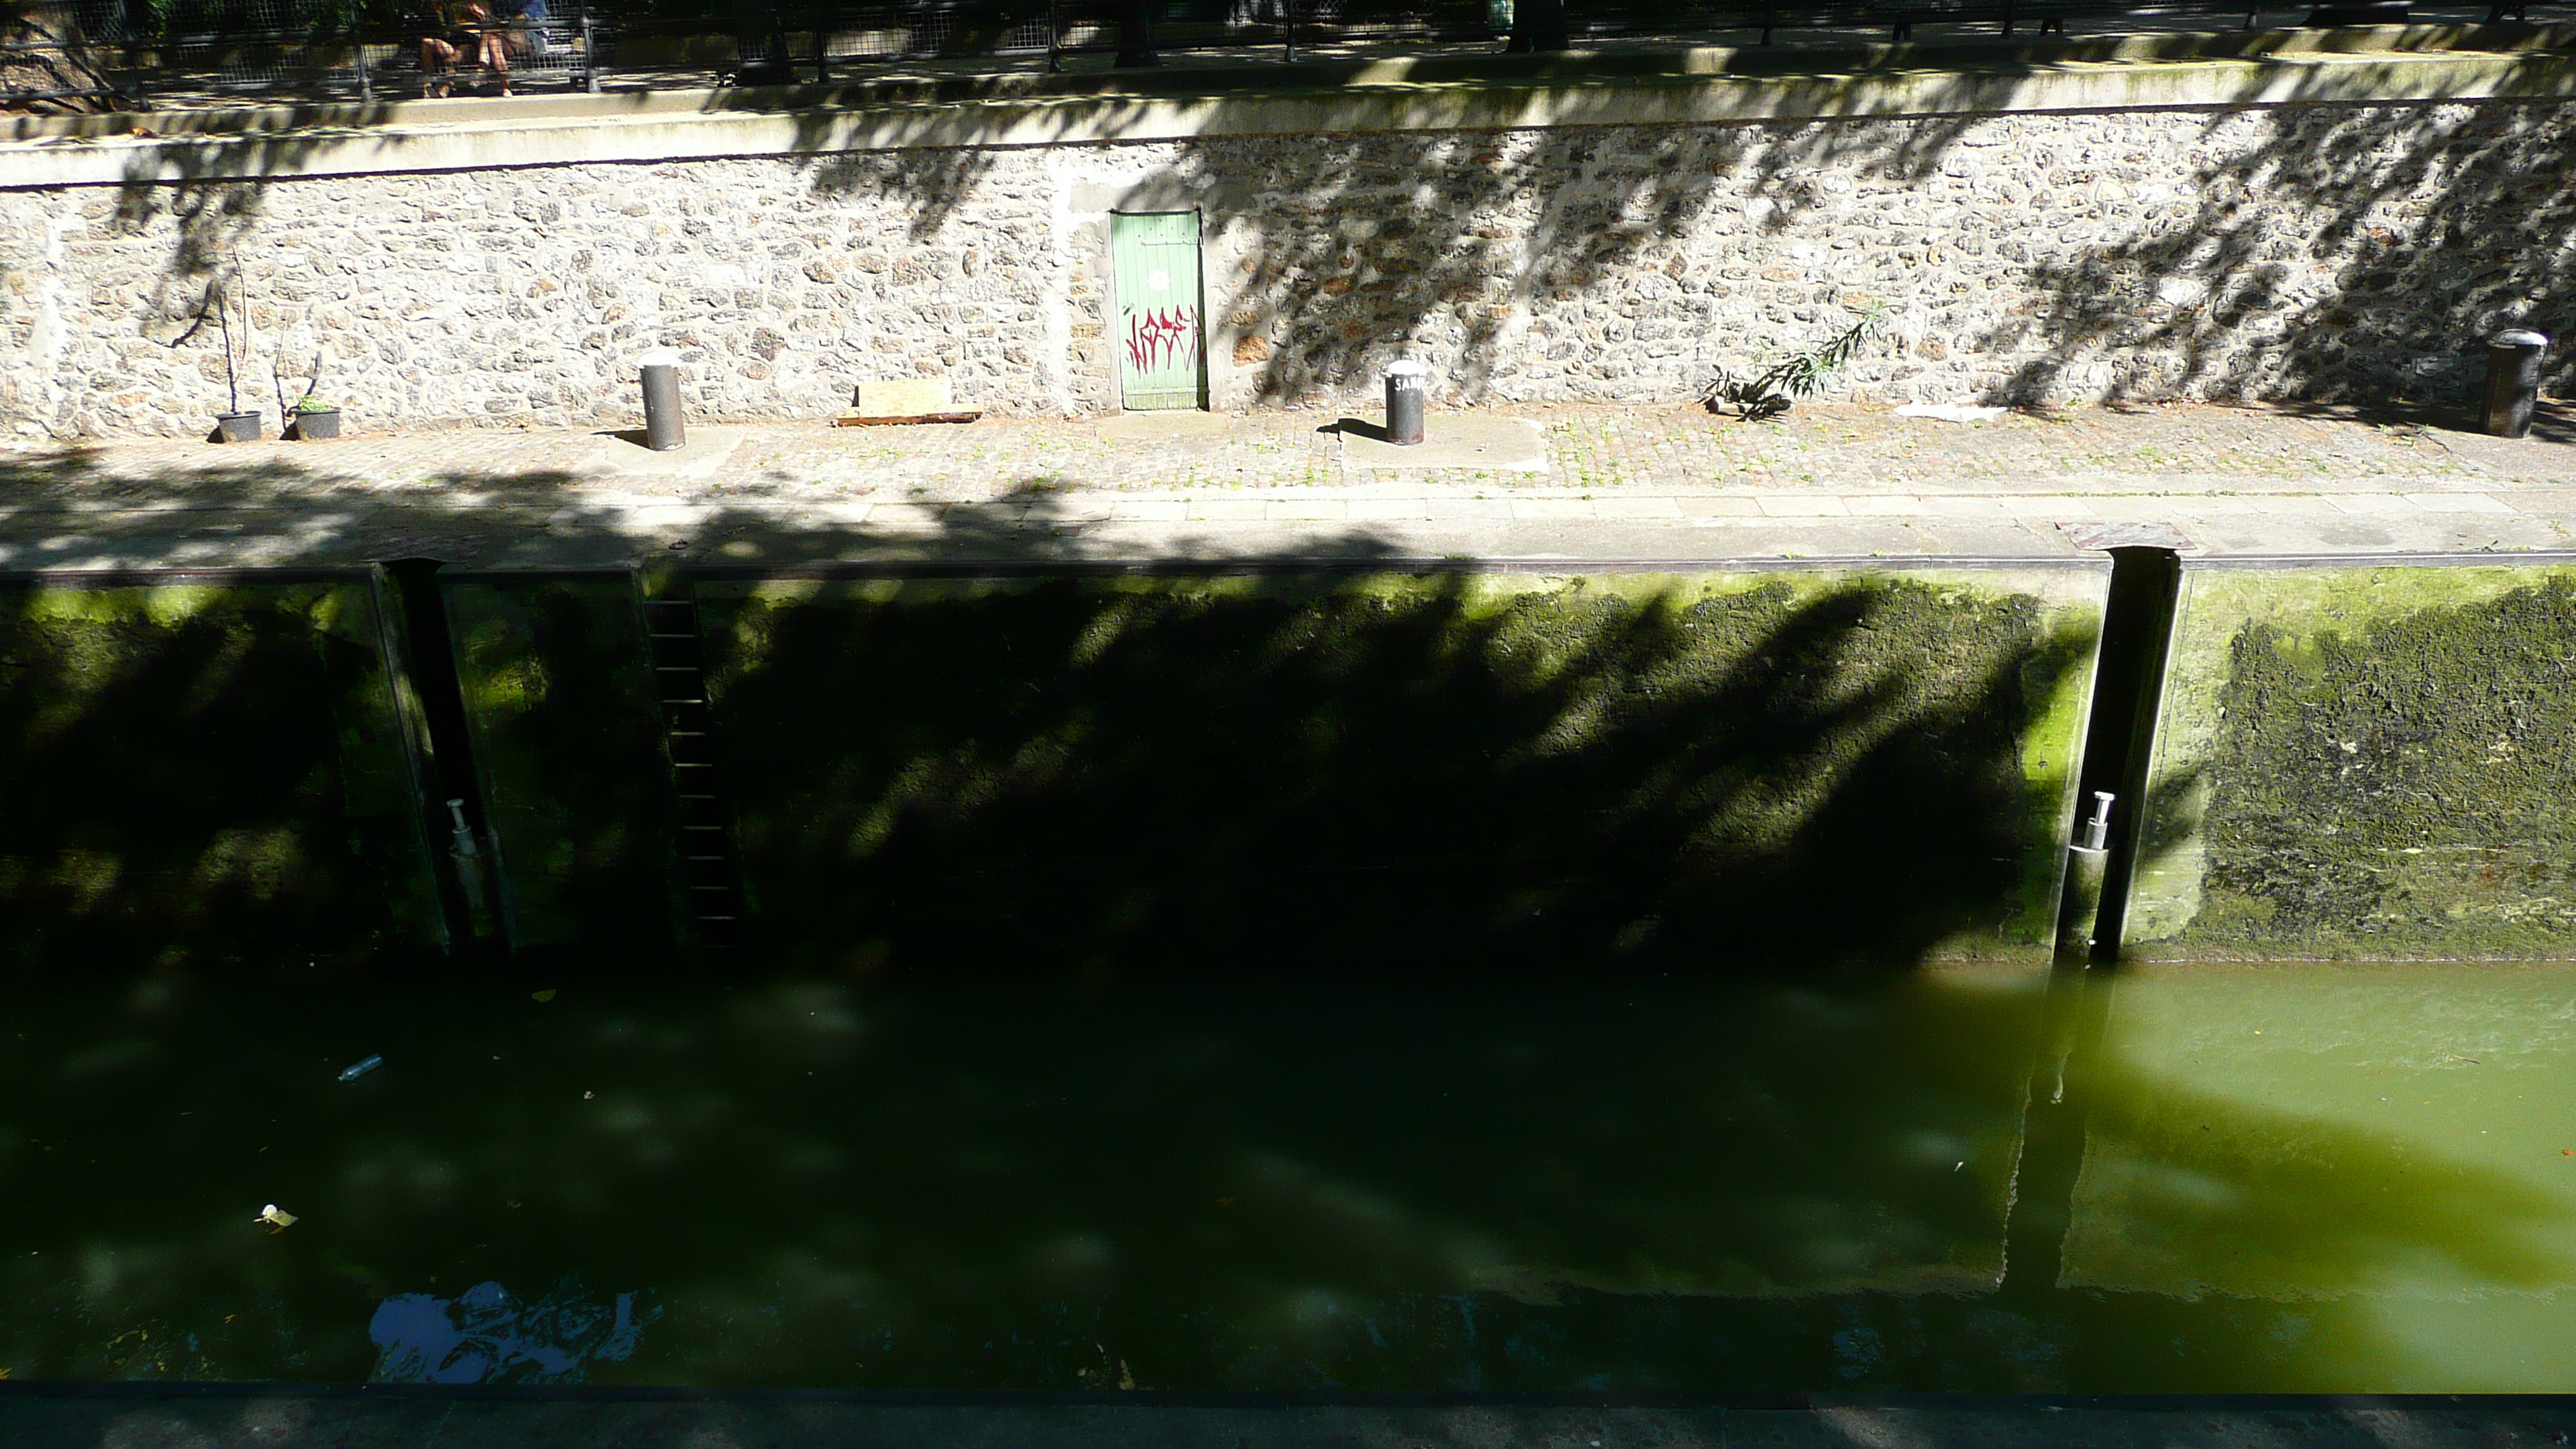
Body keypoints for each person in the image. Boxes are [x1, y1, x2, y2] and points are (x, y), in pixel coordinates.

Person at [420, 0, 510, 97]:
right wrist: (439, 13)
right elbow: (445, 30)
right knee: (427, 43)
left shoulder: (480, 2)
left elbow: (491, 23)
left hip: (472, 42)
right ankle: (427, 84)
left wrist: (480, 14)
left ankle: (444, 90)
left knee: (455, 57)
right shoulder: (452, 4)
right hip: (454, 40)